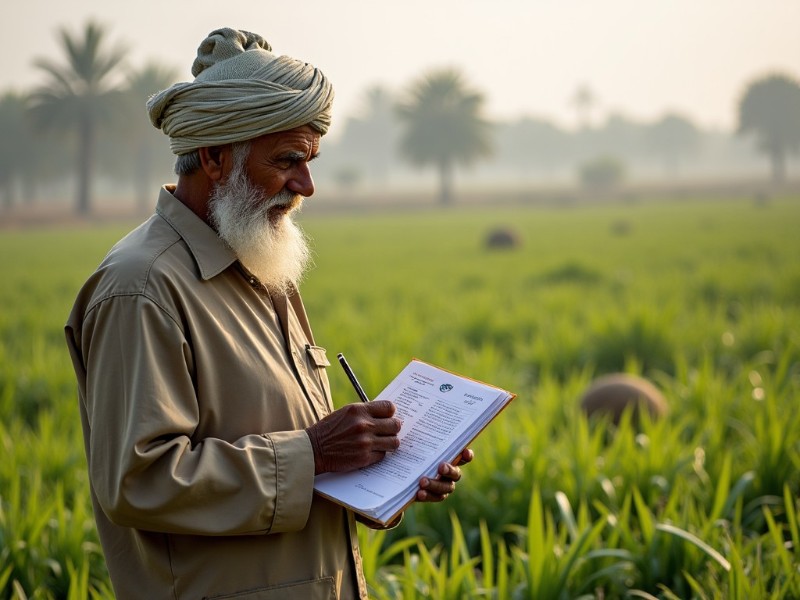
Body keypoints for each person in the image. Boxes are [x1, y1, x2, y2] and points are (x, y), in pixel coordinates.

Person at [64, 27, 472, 600]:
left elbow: (298, 463)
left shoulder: (259, 265)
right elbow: (140, 481)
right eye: (287, 161)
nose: (306, 185)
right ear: (213, 157)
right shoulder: (141, 288)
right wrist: (316, 452)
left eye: (311, 160)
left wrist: (386, 467)